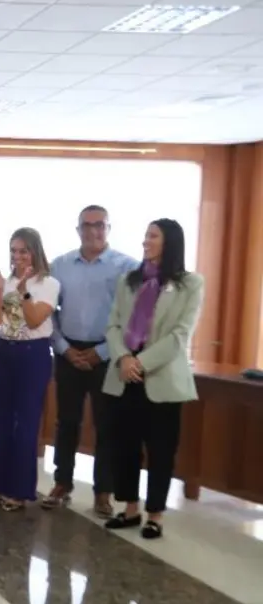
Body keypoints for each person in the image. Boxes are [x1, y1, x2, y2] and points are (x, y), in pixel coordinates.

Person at [103, 219, 203, 540]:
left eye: (152, 236)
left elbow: (179, 336)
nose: (145, 241)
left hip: (161, 379)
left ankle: (155, 515)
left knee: (161, 450)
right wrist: (124, 358)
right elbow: (114, 326)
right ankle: (129, 508)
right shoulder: (128, 280)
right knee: (125, 446)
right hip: (124, 375)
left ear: (170, 242)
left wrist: (141, 363)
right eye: (145, 235)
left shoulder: (190, 284)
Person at [43, 205, 139, 516]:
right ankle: (62, 483)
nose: (93, 231)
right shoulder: (59, 265)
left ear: (109, 228)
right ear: (78, 230)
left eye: (99, 225)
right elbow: (48, 313)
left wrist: (101, 352)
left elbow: (133, 320)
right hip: (68, 352)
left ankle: (103, 492)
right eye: (86, 225)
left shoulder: (127, 267)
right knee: (66, 422)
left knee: (106, 425)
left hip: (108, 353)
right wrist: (63, 348)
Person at [0, 227, 59, 511]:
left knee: (25, 423)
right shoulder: (6, 281)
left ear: (35, 252)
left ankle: (20, 490)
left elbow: (34, 320)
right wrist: (0, 290)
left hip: (33, 353)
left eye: (23, 251)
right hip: (4, 350)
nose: (17, 256)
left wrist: (24, 292)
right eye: (14, 250)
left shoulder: (48, 283)